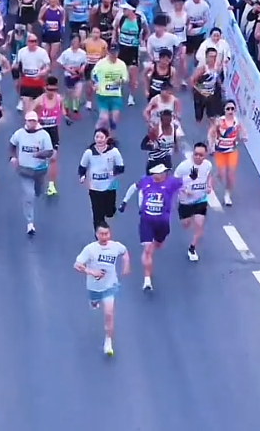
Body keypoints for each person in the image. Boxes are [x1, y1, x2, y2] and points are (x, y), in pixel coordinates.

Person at [119, 164, 185, 292]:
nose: (158, 176)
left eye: (161, 174)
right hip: (146, 221)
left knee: (158, 245)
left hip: (162, 222)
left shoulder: (171, 182)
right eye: (155, 174)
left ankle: (155, 244)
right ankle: (147, 280)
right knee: (148, 249)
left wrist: (192, 181)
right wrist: (124, 202)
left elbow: (185, 183)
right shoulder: (145, 181)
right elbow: (134, 187)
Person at [74, 223, 130, 357]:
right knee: (94, 302)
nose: (104, 237)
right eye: (102, 234)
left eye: (107, 234)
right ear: (96, 234)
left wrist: (126, 265)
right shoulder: (90, 249)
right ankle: (94, 302)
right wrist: (91, 272)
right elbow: (77, 265)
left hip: (110, 286)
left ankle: (108, 341)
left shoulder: (115, 246)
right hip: (94, 287)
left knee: (109, 314)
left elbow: (125, 252)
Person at [10, 111, 56, 235]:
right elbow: (12, 144)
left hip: (39, 170)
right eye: (29, 121)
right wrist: (13, 157)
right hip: (25, 170)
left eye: (33, 121)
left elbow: (50, 152)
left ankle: (38, 190)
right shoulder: (19, 133)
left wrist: (39, 154)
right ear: (26, 121)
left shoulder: (44, 135)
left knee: (38, 192)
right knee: (29, 196)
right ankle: (30, 223)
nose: (31, 123)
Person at [174, 143, 215, 262]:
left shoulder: (208, 165)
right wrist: (184, 190)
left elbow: (209, 176)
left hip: (200, 199)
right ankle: (189, 219)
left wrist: (209, 186)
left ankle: (192, 248)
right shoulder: (184, 166)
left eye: (201, 155)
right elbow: (174, 182)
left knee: (199, 225)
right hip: (185, 201)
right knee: (185, 225)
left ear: (205, 155)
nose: (198, 157)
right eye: (196, 154)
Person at [79, 129, 126, 230]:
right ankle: (99, 233)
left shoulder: (113, 152)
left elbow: (121, 167)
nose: (99, 140)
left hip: (111, 185)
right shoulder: (89, 152)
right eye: (97, 137)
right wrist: (82, 176)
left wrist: (114, 172)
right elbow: (82, 167)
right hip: (94, 187)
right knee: (97, 214)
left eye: (101, 137)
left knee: (109, 212)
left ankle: (110, 210)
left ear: (107, 138)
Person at [208, 99, 245, 206]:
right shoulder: (219, 121)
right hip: (220, 151)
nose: (230, 111)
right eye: (228, 109)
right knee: (221, 174)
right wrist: (211, 146)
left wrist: (243, 137)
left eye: (232, 109)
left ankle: (227, 195)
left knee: (231, 175)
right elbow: (211, 133)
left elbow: (243, 133)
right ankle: (210, 180)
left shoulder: (237, 122)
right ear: (224, 110)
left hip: (232, 151)